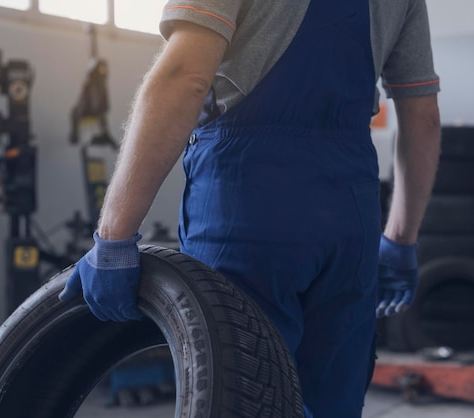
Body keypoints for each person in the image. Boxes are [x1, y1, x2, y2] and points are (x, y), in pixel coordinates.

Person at [59, 0, 441, 416]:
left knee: (237, 392)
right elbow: (422, 115)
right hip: (351, 208)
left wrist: (114, 236)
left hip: (248, 199)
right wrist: (400, 240)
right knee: (332, 403)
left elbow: (184, 75)